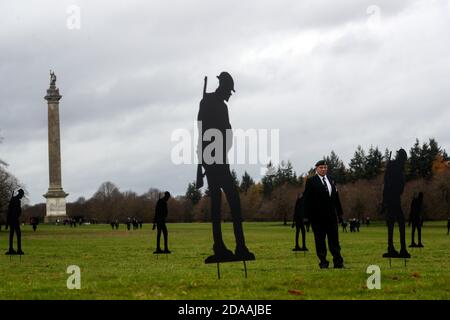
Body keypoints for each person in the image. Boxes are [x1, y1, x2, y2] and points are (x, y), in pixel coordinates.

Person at [196, 71, 255, 262]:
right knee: (226, 203)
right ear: (223, 88)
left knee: (223, 203)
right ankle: (228, 247)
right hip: (215, 160)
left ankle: (232, 246)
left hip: (215, 159)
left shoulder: (213, 104)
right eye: (229, 91)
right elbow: (207, 133)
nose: (230, 95)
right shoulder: (212, 104)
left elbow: (215, 133)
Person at [304, 160, 344, 269]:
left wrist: (340, 214)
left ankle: (338, 263)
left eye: (325, 167)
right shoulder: (311, 181)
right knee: (320, 242)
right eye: (321, 167)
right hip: (317, 218)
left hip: (331, 218)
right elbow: (307, 200)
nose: (323, 169)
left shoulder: (331, 180)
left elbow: (336, 199)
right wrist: (306, 216)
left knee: (334, 242)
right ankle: (323, 263)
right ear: (316, 168)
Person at [382, 149, 410, 258]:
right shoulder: (397, 167)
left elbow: (387, 182)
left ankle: (394, 248)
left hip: (392, 198)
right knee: (398, 222)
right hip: (393, 198)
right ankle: (397, 248)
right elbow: (391, 183)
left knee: (393, 223)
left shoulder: (394, 165)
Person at [6, 189, 25, 255]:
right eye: (22, 195)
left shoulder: (14, 199)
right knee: (17, 234)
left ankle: (12, 249)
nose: (22, 196)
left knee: (12, 234)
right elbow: (11, 210)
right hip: (14, 219)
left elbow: (10, 210)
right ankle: (17, 249)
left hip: (13, 219)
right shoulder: (16, 200)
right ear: (19, 194)